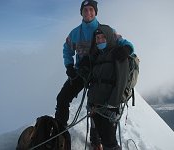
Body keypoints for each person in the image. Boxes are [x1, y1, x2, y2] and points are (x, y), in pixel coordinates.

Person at [55, 0, 133, 149]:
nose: (88, 12)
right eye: (85, 10)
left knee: (95, 106)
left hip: (99, 73)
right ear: (81, 13)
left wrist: (126, 50)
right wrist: (69, 66)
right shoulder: (75, 33)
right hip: (81, 72)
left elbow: (126, 44)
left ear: (95, 12)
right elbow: (67, 49)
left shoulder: (104, 30)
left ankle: (96, 140)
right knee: (62, 98)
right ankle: (60, 133)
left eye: (91, 9)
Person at [87, 24, 133, 150]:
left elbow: (121, 81)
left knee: (109, 141)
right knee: (103, 136)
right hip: (96, 105)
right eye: (97, 38)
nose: (100, 40)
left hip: (109, 107)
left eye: (103, 37)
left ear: (109, 38)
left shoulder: (118, 54)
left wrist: (113, 105)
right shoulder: (98, 55)